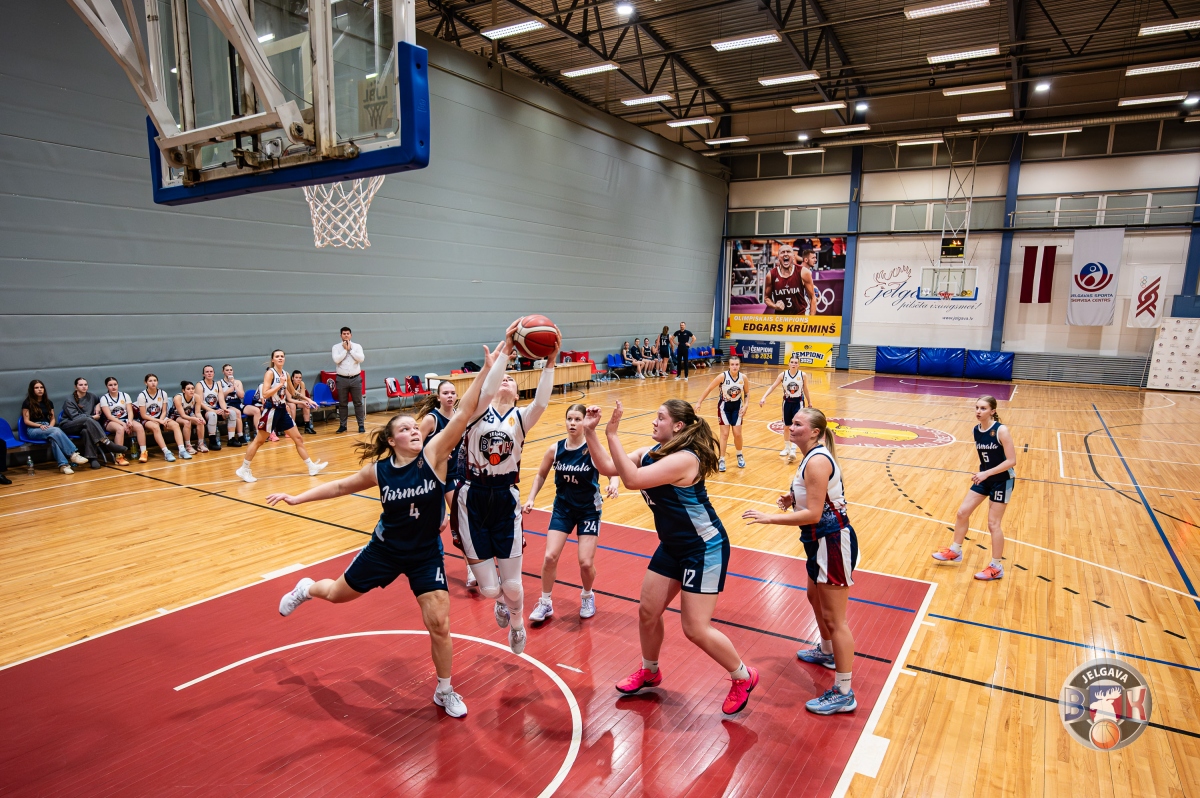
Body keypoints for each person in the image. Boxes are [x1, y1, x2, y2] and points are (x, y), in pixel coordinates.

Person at [268, 343, 505, 720]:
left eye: (415, 426)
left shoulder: (434, 455)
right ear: (392, 441)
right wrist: (297, 498)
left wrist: (486, 371)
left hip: (425, 554)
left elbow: (462, 413)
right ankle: (306, 588)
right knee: (336, 595)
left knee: (439, 623)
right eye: (405, 429)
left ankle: (445, 690)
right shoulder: (379, 471)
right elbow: (339, 486)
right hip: (384, 551)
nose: (414, 431)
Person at [582, 398, 759, 715]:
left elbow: (632, 480)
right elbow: (608, 467)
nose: (654, 421)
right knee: (648, 612)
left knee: (695, 628)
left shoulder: (685, 459)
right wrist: (590, 432)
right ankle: (650, 670)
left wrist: (612, 433)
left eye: (660, 417)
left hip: (704, 548)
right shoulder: (650, 453)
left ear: (677, 426)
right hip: (673, 545)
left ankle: (743, 676)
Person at [742, 407, 858, 715]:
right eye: (791, 423)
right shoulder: (809, 457)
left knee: (836, 619)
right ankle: (827, 652)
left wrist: (770, 517)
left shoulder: (817, 461)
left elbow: (815, 514)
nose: (791, 428)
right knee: (813, 597)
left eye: (798, 424)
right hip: (817, 541)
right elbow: (817, 495)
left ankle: (844, 691)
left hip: (832, 541)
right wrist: (792, 498)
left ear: (815, 432)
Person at [455, 324, 555, 656]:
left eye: (512, 379)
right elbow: (485, 389)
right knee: (489, 589)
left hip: (505, 497)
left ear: (517, 393)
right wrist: (507, 351)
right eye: (504, 377)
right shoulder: (476, 411)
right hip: (473, 497)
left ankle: (516, 623)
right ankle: (500, 602)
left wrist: (550, 362)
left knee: (512, 583)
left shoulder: (520, 418)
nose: (507, 380)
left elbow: (542, 402)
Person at [522, 404, 619, 624]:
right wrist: (531, 498)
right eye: (569, 419)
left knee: (585, 562)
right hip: (563, 509)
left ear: (585, 422)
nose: (573, 423)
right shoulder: (555, 449)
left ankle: (587, 595)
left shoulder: (592, 450)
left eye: (577, 419)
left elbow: (612, 470)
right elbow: (540, 474)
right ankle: (545, 602)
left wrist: (614, 484)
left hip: (588, 511)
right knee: (550, 557)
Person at [931, 396, 1016, 581]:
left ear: (993, 411)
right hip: (984, 477)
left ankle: (996, 567)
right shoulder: (976, 430)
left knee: (993, 524)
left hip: (1002, 480)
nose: (978, 411)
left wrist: (987, 473)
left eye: (983, 408)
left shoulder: (1001, 430)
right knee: (962, 513)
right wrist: (984, 473)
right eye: (977, 407)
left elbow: (1011, 461)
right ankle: (955, 551)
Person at [236, 350, 327, 483]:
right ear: (273, 359)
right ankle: (244, 469)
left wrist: (307, 399)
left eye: (282, 356)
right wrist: (279, 384)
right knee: (259, 441)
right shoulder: (270, 373)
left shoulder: (286, 374)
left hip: (282, 410)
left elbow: (293, 392)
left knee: (298, 438)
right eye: (277, 356)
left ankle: (311, 466)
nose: (280, 358)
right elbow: (265, 394)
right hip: (271, 410)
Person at [415, 381, 473, 590]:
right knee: (436, 524)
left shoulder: (460, 417)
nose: (450, 396)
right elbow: (415, 447)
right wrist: (434, 454)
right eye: (445, 393)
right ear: (438, 396)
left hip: (452, 477)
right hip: (430, 478)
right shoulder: (431, 419)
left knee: (461, 522)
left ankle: (471, 569)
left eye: (453, 393)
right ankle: (425, 563)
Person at [60, 378, 129, 469]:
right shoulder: (69, 400)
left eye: (85, 384)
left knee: (86, 431)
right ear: (75, 387)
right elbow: (75, 417)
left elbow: (101, 402)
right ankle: (108, 443)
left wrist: (98, 405)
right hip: (69, 425)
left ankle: (93, 458)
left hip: (86, 426)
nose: (84, 387)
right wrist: (92, 417)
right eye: (81, 385)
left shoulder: (92, 396)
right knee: (88, 420)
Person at [22, 380, 88, 474]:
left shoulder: (48, 402)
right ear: (32, 390)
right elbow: (26, 421)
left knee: (54, 438)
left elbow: (52, 419)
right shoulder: (27, 403)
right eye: (36, 388)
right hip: (34, 429)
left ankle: (63, 466)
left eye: (41, 387)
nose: (40, 389)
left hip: (47, 427)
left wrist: (50, 427)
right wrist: (40, 425)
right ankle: (73, 454)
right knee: (56, 431)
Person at [695, 356, 749, 473]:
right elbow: (709, 388)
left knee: (737, 434)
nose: (734, 366)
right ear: (728, 365)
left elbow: (747, 393)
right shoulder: (722, 376)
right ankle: (722, 459)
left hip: (737, 407)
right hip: (724, 407)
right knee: (724, 434)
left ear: (739, 365)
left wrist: (746, 405)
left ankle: (739, 455)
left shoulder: (743, 378)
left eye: (737, 364)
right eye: (732, 364)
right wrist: (699, 402)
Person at [759, 351, 813, 462]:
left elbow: (806, 389)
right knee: (786, 427)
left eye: (796, 362)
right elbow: (773, 387)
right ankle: (787, 448)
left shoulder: (802, 375)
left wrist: (809, 401)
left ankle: (793, 450)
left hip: (798, 402)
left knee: (796, 426)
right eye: (792, 362)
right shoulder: (783, 375)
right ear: (788, 363)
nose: (794, 364)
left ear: (798, 364)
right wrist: (764, 397)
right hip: (787, 402)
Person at [136, 374, 185, 462]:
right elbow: (143, 415)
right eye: (150, 381)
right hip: (147, 419)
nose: (153, 383)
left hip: (161, 417)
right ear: (145, 383)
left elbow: (164, 411)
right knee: (155, 427)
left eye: (155, 380)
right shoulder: (142, 395)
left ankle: (182, 450)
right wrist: (158, 421)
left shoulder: (163, 393)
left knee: (175, 425)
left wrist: (160, 420)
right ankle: (166, 452)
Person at [98, 377, 144, 465]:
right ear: (107, 386)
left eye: (115, 384)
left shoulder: (125, 395)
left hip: (125, 419)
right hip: (110, 421)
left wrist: (130, 421)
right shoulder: (104, 398)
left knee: (139, 426)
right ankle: (119, 456)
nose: (113, 387)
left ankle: (143, 452)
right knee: (120, 429)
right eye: (110, 385)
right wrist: (123, 424)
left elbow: (130, 411)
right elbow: (109, 416)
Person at [764, 244, 817, 316]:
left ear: (793, 256)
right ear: (778, 257)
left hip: (800, 316)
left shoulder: (803, 272)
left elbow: (812, 297)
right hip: (781, 318)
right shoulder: (771, 274)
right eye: (782, 252)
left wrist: (811, 319)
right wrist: (775, 306)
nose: (785, 254)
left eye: (788, 252)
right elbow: (766, 298)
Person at [332, 326, 366, 434]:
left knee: (358, 403)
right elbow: (336, 360)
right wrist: (344, 350)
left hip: (355, 378)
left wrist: (350, 350)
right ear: (341, 335)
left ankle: (361, 425)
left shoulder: (357, 346)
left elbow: (361, 359)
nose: (346, 335)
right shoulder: (336, 347)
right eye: (344, 334)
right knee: (343, 404)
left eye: (348, 334)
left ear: (351, 335)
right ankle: (343, 426)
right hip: (342, 379)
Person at [197, 365, 238, 450]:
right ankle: (212, 441)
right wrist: (213, 411)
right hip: (204, 410)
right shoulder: (200, 385)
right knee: (212, 415)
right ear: (203, 374)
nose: (209, 373)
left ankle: (231, 439)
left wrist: (224, 409)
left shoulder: (217, 384)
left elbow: (221, 400)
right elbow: (200, 403)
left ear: (214, 373)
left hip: (215, 409)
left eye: (211, 371)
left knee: (232, 413)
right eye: (207, 372)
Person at [169, 381, 206, 456]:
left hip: (189, 415)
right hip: (176, 416)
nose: (191, 390)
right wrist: (194, 419)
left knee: (200, 421)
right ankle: (188, 446)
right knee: (187, 422)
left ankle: (200, 444)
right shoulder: (178, 397)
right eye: (188, 389)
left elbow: (197, 412)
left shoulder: (196, 397)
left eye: (192, 388)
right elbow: (182, 415)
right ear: (183, 390)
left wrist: (201, 418)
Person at [217, 364, 249, 446]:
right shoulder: (219, 383)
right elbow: (219, 398)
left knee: (256, 411)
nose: (229, 371)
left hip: (238, 403)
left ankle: (257, 433)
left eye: (231, 370)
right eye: (227, 370)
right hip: (227, 403)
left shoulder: (238, 382)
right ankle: (240, 436)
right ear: (223, 372)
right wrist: (228, 391)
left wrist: (234, 384)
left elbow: (241, 396)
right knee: (237, 412)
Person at [286, 370, 317, 435]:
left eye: (300, 378)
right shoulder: (288, 384)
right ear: (292, 378)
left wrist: (306, 402)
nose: (298, 379)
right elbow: (289, 399)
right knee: (293, 405)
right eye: (296, 377)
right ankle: (293, 427)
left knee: (306, 404)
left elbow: (302, 397)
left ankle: (307, 426)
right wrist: (301, 402)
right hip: (287, 402)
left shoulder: (302, 383)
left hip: (296, 401)